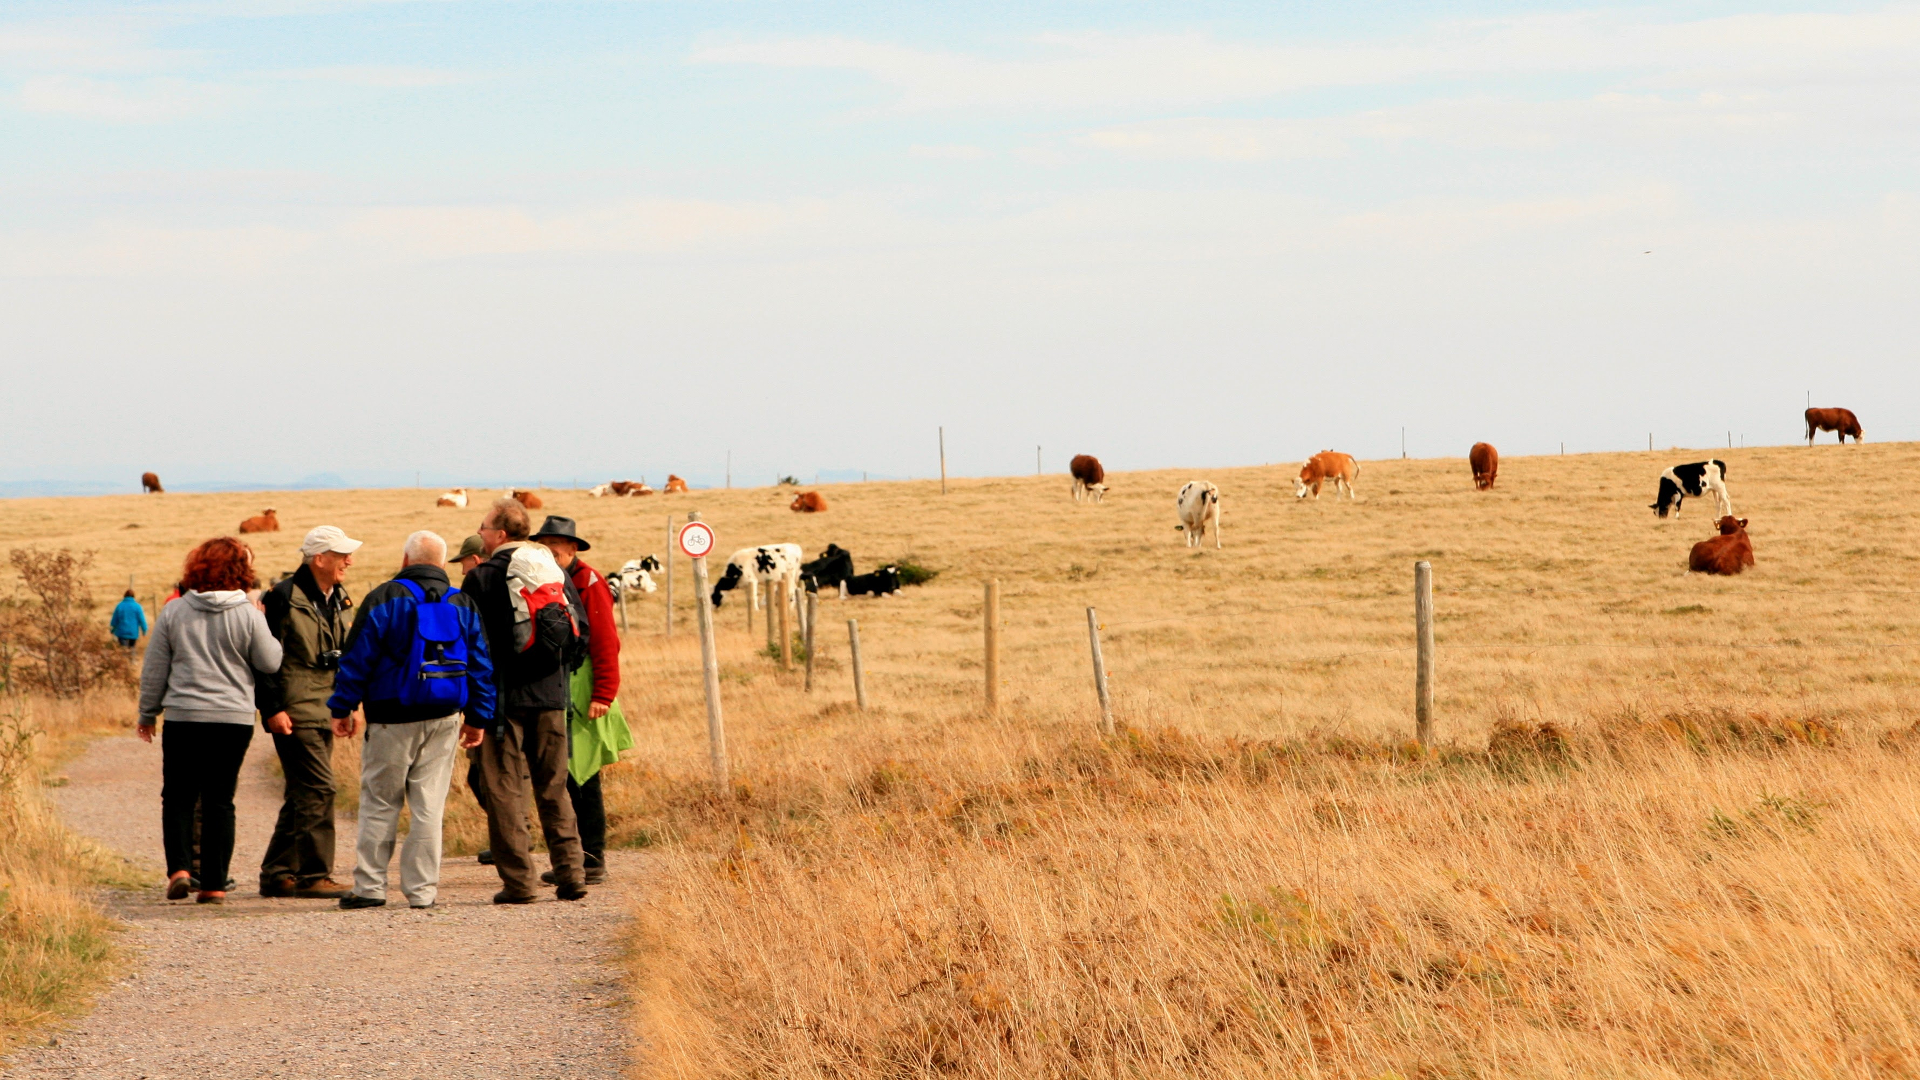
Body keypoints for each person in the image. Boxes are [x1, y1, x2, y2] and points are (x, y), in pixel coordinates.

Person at [326, 532, 495, 910]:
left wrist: (342, 707)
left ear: (406, 559)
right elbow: (482, 667)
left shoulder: (384, 598)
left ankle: (370, 888)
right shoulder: (462, 602)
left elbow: (357, 660)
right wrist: (479, 717)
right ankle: (422, 892)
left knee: (380, 803)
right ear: (442, 562)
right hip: (445, 718)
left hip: (390, 717)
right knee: (429, 806)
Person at [137, 538, 283, 904]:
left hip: (185, 717)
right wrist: (264, 624)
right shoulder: (248, 613)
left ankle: (181, 870)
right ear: (241, 571)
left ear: (196, 568)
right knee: (220, 800)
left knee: (179, 796)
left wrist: (147, 714)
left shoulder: (174, 611)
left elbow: (155, 669)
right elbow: (270, 662)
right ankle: (215, 885)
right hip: (232, 720)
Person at [461, 497, 589, 903]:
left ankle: (519, 883)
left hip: (502, 701)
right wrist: (557, 676)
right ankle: (571, 874)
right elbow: (581, 633)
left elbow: (472, 644)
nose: (480, 533)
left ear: (499, 533)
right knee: (554, 788)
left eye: (483, 526)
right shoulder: (552, 570)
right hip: (551, 697)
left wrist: (476, 702)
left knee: (502, 790)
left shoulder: (482, 578)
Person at [254, 525, 361, 900]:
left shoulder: (335, 595)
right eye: (342, 554)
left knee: (303, 792)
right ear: (319, 559)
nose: (349, 560)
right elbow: (263, 659)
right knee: (320, 789)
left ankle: (278, 873)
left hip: (324, 706)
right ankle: (314, 875)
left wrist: (347, 704)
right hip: (295, 709)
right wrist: (272, 708)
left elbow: (342, 654)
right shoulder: (283, 597)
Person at [532, 515, 631, 885]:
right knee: (563, 773)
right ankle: (574, 858)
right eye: (544, 548)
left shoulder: (589, 583)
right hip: (562, 686)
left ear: (572, 550)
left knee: (583, 775)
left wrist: (603, 693)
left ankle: (591, 860)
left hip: (586, 689)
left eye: (556, 550)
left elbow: (607, 642)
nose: (550, 555)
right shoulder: (548, 578)